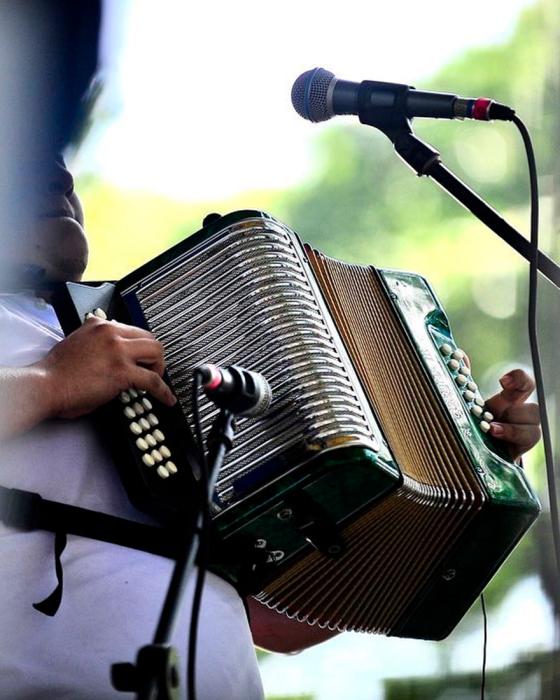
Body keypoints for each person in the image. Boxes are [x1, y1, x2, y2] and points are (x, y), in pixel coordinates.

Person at [0, 155, 542, 698]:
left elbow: (281, 623)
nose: (58, 175)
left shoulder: (125, 335)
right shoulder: (58, 358)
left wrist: (475, 474)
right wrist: (51, 380)